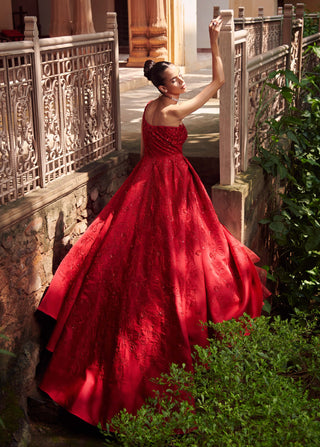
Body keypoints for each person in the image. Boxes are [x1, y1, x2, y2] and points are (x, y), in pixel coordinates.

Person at [38, 17, 267, 428]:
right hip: (172, 182)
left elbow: (149, 148)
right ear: (164, 88)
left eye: (181, 78)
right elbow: (218, 82)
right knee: (179, 252)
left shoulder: (149, 108)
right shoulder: (175, 110)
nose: (182, 82)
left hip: (148, 178)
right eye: (177, 79)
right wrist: (214, 42)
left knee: (135, 250)